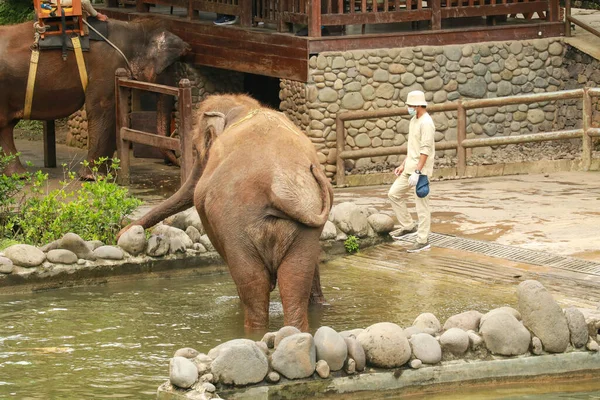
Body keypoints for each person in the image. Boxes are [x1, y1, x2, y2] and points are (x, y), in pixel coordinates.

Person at [388, 90, 435, 253]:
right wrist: (404, 164)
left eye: (409, 105)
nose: (408, 108)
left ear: (417, 105)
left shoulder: (426, 123)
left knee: (422, 205)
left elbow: (425, 150)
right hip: (410, 167)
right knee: (393, 194)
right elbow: (413, 148)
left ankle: (423, 240)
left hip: (420, 172)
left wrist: (418, 171)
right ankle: (408, 226)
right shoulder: (414, 120)